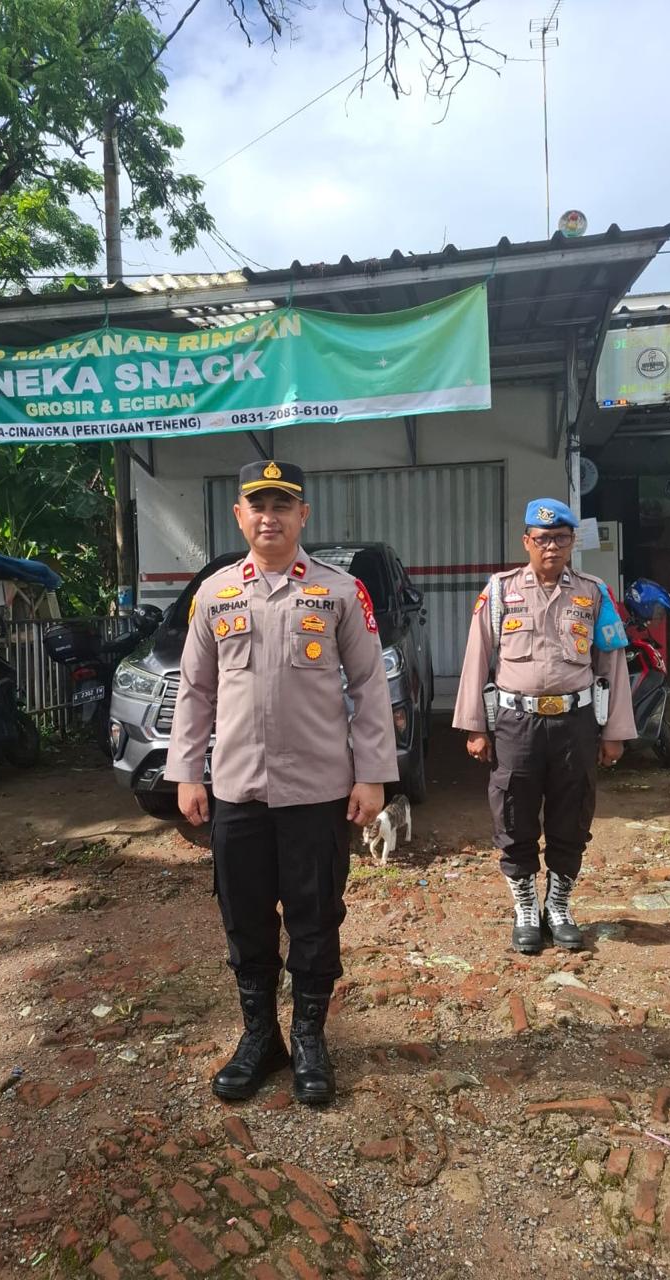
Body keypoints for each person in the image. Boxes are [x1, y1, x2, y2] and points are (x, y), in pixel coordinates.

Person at [164, 460, 398, 1105]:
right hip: (237, 790)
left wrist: (373, 775)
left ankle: (310, 1039)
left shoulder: (340, 592)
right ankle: (260, 1037)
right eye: (258, 506)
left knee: (315, 917)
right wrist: (186, 773)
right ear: (239, 515)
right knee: (244, 919)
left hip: (318, 791)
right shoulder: (214, 594)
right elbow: (195, 691)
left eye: (282, 505)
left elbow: (369, 687)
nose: (270, 517)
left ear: (303, 515)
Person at [453, 498, 635, 954]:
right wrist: (475, 727)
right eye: (542, 538)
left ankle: (559, 906)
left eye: (560, 538)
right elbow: (477, 658)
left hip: (575, 723)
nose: (551, 546)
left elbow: (611, 663)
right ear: (526, 542)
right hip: (516, 723)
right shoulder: (500, 591)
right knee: (513, 813)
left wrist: (614, 731)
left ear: (572, 542)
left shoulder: (594, 593)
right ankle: (525, 908)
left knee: (572, 814)